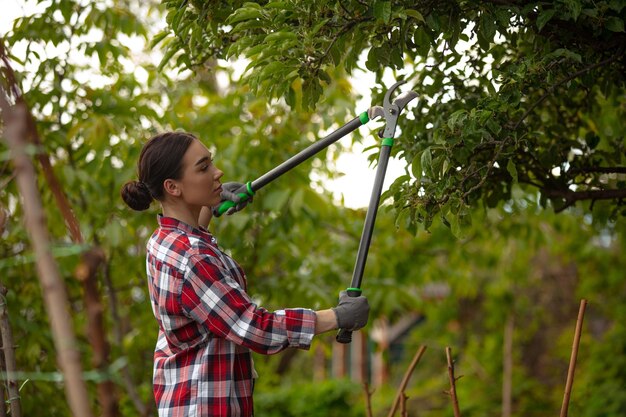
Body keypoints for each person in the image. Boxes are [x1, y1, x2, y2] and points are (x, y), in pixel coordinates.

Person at [120, 131, 370, 417]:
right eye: (204, 168)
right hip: (205, 406)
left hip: (183, 397)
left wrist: (211, 206)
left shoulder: (162, 241)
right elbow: (256, 328)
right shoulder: (193, 259)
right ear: (173, 187)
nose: (218, 173)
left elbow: (194, 243)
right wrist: (337, 316)